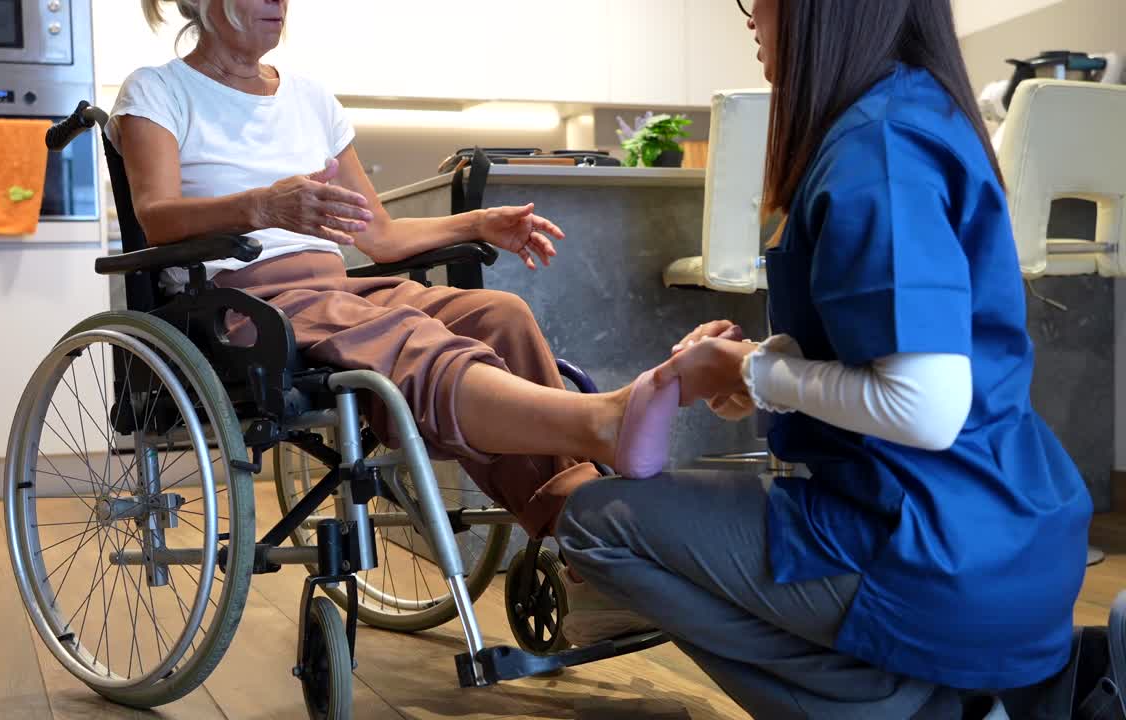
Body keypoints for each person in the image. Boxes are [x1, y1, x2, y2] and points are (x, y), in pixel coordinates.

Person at [556, 1, 1126, 718]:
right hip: (1015, 533)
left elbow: (925, 404)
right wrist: (765, 367)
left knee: (593, 524)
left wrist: (750, 372)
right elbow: (900, 350)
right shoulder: (915, 108)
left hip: (940, 548)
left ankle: (920, 708)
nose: (751, 15)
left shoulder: (876, 149)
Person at [110, 0, 681, 637]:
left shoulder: (312, 99)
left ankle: (585, 549)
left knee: (499, 314)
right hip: (244, 305)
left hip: (337, 290)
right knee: (413, 339)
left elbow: (377, 236)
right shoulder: (158, 90)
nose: (277, 3)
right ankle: (600, 433)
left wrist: (478, 222)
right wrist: (263, 206)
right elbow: (157, 216)